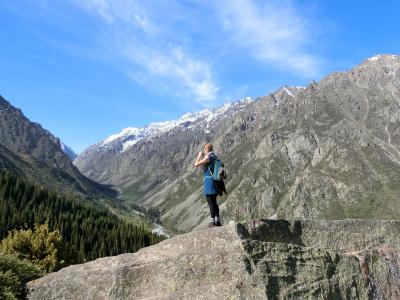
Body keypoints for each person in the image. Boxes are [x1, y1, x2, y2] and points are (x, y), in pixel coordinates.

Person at [194, 143, 222, 227]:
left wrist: (199, 156)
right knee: (214, 202)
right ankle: (218, 220)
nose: (204, 151)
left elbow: (196, 164)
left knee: (211, 203)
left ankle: (212, 221)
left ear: (206, 149)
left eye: (204, 149)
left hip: (209, 182)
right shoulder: (214, 156)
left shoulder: (208, 157)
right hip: (215, 181)